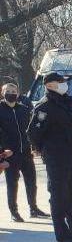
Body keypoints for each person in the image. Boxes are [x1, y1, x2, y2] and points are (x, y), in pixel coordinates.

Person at [29, 72, 72, 242]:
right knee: (59, 197)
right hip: (56, 157)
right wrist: (44, 150)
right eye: (60, 82)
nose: (64, 85)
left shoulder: (67, 101)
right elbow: (33, 133)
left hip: (71, 154)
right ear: (50, 85)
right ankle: (63, 236)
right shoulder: (45, 106)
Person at [0, 81, 46, 222]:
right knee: (12, 184)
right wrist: (3, 150)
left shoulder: (24, 109)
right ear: (2, 92)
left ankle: (33, 208)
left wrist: (35, 146)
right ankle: (14, 212)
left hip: (25, 152)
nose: (12, 94)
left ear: (18, 94)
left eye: (14, 92)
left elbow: (31, 130)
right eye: (9, 91)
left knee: (31, 182)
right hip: (9, 153)